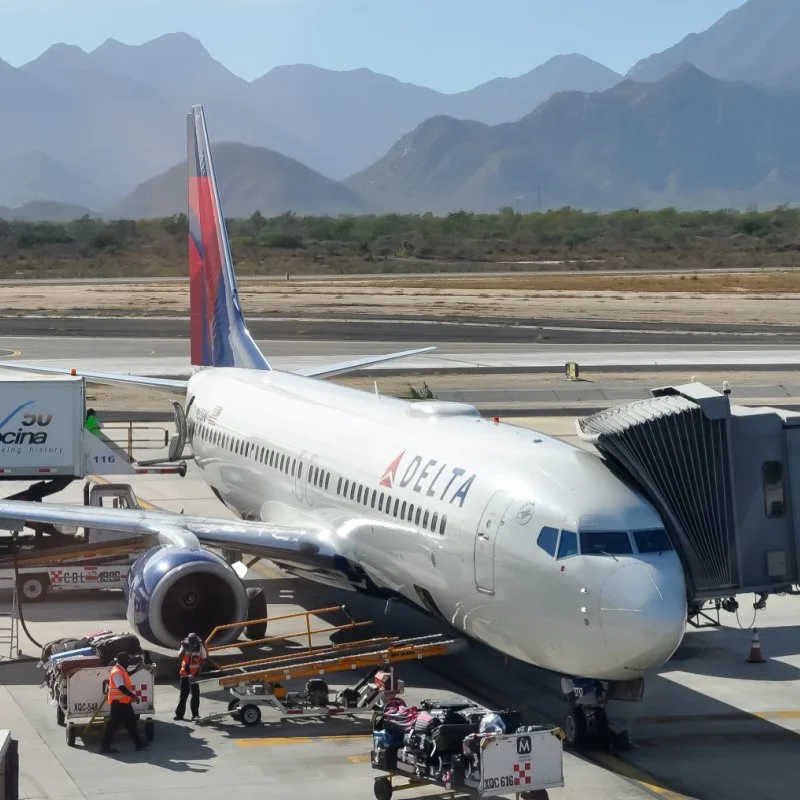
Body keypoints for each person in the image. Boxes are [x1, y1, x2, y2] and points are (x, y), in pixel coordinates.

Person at [100, 652, 148, 754]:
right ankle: (104, 747)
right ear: (122, 661)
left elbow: (126, 675)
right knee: (113, 727)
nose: (129, 661)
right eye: (127, 660)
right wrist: (133, 696)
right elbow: (121, 687)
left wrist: (135, 670)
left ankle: (138, 744)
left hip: (124, 704)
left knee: (131, 724)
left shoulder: (121, 670)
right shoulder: (117, 672)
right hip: (118, 705)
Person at [174, 632, 207, 721]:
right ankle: (179, 715)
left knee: (195, 695)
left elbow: (203, 658)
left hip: (195, 675)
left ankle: (195, 715)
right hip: (185, 674)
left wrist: (199, 669)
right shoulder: (184, 646)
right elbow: (180, 656)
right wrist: (184, 648)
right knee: (183, 695)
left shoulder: (200, 647)